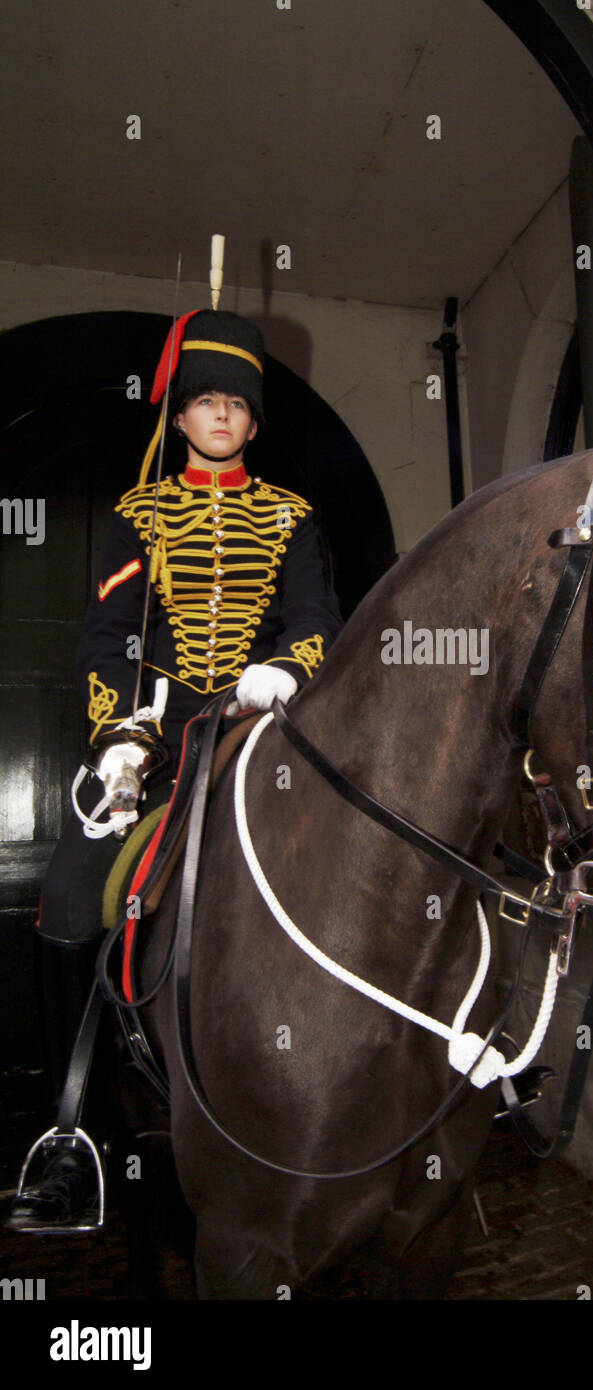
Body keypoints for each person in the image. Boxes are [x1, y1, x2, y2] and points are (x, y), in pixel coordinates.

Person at [8, 309, 343, 1230]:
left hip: (266, 718)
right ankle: (72, 1132)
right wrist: (120, 732)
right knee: (73, 892)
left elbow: (319, 621)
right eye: (206, 401)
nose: (223, 415)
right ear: (182, 418)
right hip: (157, 729)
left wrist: (283, 669)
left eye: (237, 402)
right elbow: (107, 638)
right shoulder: (137, 514)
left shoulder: (293, 515)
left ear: (253, 419)